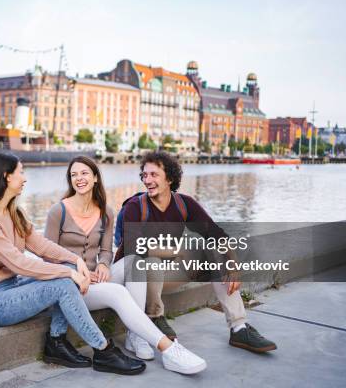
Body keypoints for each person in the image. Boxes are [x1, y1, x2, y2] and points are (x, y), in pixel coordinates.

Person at [0, 152, 145, 375]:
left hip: (12, 286)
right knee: (63, 281)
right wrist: (68, 273)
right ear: (6, 177)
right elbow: (18, 263)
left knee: (67, 271)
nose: (24, 178)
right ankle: (103, 350)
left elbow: (41, 245)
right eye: (21, 172)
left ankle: (56, 341)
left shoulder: (13, 213)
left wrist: (75, 260)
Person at [44, 156, 207, 375]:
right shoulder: (58, 211)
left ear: (94, 178)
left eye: (84, 173)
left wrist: (103, 264)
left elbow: (106, 251)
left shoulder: (106, 213)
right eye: (74, 175)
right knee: (119, 292)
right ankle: (169, 350)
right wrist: (76, 272)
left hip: (98, 279)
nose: (79, 178)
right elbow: (47, 256)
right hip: (72, 286)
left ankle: (135, 337)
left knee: (135, 261)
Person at [115, 151, 277, 353]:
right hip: (139, 279)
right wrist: (178, 251)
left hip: (170, 274)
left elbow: (217, 234)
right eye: (144, 175)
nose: (147, 180)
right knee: (151, 261)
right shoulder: (135, 207)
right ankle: (155, 317)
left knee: (213, 252)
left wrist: (233, 265)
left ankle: (239, 327)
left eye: (154, 175)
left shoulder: (184, 204)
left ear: (170, 178)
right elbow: (134, 247)